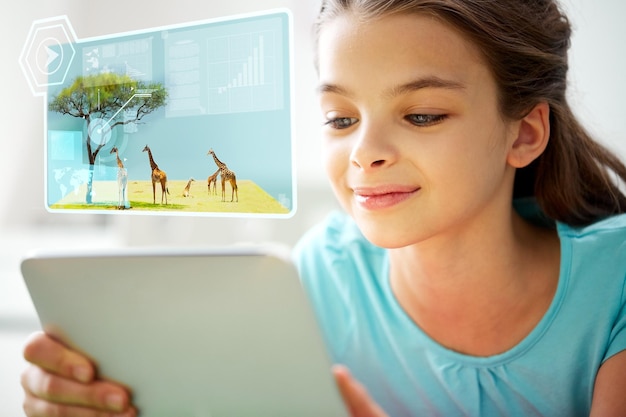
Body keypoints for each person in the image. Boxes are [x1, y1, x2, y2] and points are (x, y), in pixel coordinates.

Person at [20, 0, 626, 416]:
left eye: (421, 115)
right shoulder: (317, 279)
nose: (365, 153)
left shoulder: (615, 283)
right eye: (341, 119)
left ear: (524, 133)